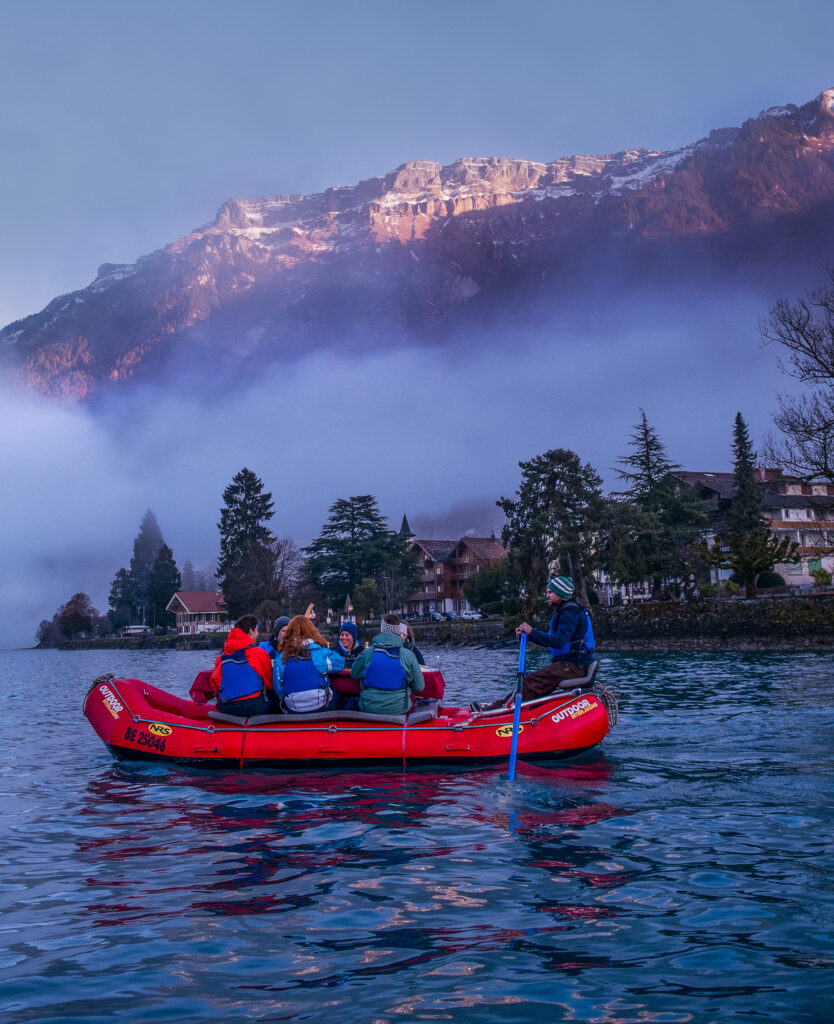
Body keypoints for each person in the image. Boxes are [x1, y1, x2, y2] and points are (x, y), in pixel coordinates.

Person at [472, 576, 596, 711]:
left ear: (561, 594)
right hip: (571, 664)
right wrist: (529, 635)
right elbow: (556, 640)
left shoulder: (569, 613)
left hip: (574, 666)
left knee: (529, 683)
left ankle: (497, 710)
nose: (547, 595)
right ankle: (505, 706)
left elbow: (559, 641)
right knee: (531, 682)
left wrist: (531, 632)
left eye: (550, 592)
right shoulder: (569, 610)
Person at [350, 613, 424, 715]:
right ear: (398, 630)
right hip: (399, 708)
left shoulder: (367, 653)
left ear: (382, 630)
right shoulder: (409, 655)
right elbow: (419, 686)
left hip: (369, 706)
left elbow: (354, 674)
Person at [274, 615, 345, 713]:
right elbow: (340, 663)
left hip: (293, 707)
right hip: (320, 705)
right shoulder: (320, 653)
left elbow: (278, 688)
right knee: (339, 696)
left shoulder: (281, 657)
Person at [210, 614, 275, 716]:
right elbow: (269, 684)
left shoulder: (220, 659)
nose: (257, 633)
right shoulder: (260, 654)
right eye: (257, 630)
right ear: (251, 631)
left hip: (227, 709)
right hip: (255, 707)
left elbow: (216, 684)